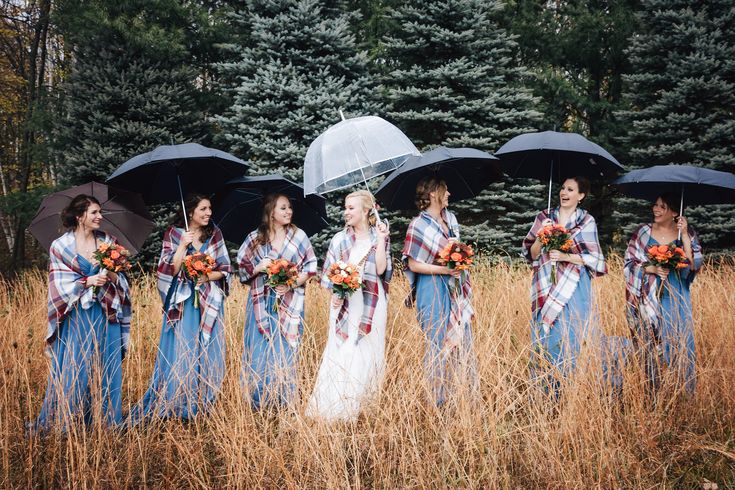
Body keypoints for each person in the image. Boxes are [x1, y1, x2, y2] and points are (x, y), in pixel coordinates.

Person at [35, 194, 132, 429]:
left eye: (100, 212)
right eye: (94, 213)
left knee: (106, 363)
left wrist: (109, 274)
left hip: (106, 311)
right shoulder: (60, 246)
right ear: (80, 216)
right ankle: (67, 419)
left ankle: (107, 420)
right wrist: (87, 281)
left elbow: (122, 280)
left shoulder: (108, 241)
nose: (100, 217)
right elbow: (58, 286)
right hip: (77, 313)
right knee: (75, 364)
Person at [131, 194, 231, 422]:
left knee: (208, 349)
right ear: (190, 212)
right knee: (185, 348)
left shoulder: (215, 234)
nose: (208, 213)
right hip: (184, 302)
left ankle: (205, 400)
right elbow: (169, 270)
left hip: (209, 300)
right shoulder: (174, 234)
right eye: (203, 209)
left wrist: (206, 277)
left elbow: (225, 269)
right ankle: (179, 401)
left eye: (210, 209)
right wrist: (182, 246)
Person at [306, 190, 391, 421]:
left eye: (351, 208)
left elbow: (382, 270)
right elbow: (328, 274)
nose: (346, 212)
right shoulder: (339, 239)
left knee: (368, 349)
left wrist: (382, 240)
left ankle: (364, 407)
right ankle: (337, 408)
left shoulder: (378, 236)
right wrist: (335, 293)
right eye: (345, 207)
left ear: (366, 210)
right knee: (343, 349)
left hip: (372, 301)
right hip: (344, 304)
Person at [522, 176, 606, 392]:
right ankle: (543, 392)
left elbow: (595, 259)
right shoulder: (544, 217)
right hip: (545, 283)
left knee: (569, 335)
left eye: (570, 189)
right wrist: (542, 235)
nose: (564, 193)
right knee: (544, 335)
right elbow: (531, 253)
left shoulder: (586, 221)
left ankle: (568, 390)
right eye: (562, 188)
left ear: (581, 195)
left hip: (574, 287)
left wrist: (566, 257)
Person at [237, 194, 317, 409]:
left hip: (289, 302)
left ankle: (284, 401)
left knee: (285, 350)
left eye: (289, 207)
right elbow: (242, 269)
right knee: (260, 349)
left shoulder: (298, 236)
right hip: (260, 301)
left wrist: (290, 283)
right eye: (283, 208)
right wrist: (257, 268)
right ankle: (259, 401)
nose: (288, 211)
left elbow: (310, 267)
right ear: (271, 212)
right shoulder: (254, 238)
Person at [402, 177, 477, 406]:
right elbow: (413, 264)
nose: (449, 194)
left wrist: (459, 263)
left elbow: (457, 252)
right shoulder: (418, 225)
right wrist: (444, 270)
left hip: (455, 287)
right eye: (445, 190)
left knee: (462, 338)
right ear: (434, 193)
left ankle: (460, 396)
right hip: (432, 286)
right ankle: (437, 401)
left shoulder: (451, 219)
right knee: (437, 341)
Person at [623, 193, 702, 394]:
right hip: (647, 295)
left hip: (676, 295)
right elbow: (629, 262)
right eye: (655, 205)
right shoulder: (642, 232)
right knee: (650, 343)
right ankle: (652, 392)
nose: (656, 209)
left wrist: (684, 236)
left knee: (679, 340)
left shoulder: (687, 233)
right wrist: (650, 269)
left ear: (675, 212)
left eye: (663, 206)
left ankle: (681, 392)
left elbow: (693, 266)